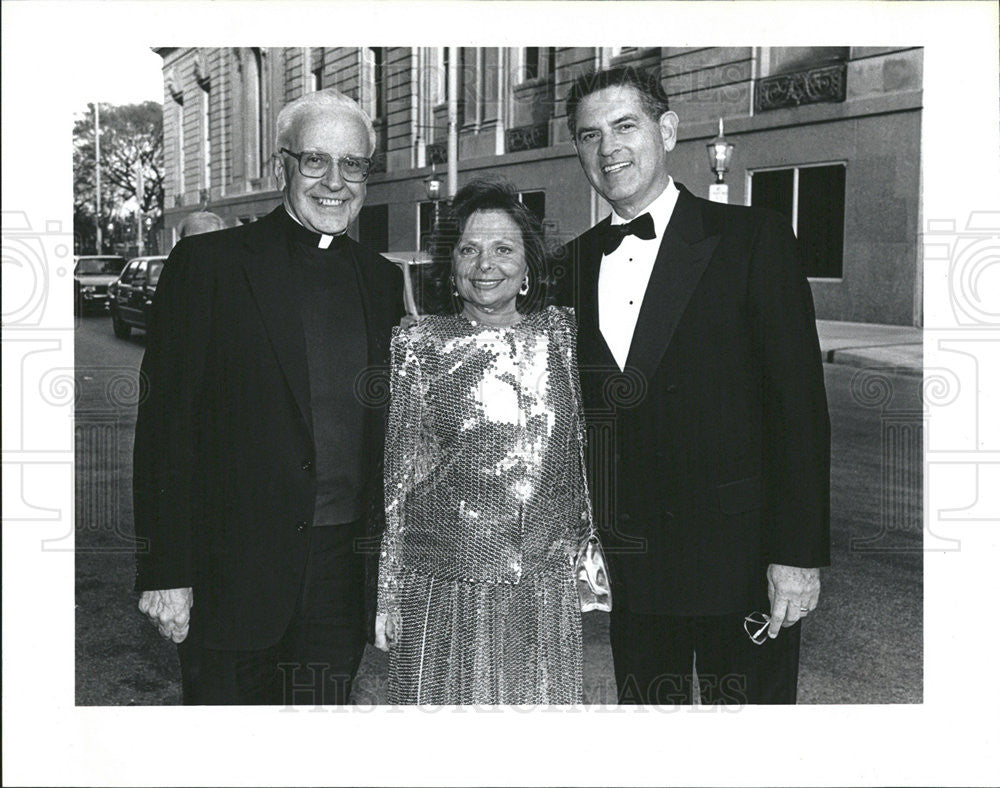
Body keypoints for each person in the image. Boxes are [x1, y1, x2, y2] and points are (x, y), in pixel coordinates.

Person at [555, 66, 830, 704]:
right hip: (636, 572)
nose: (608, 147)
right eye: (589, 135)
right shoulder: (568, 266)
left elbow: (799, 411)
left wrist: (796, 556)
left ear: (669, 130)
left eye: (625, 126)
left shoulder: (753, 240)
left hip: (743, 564)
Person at [134, 88, 404, 705]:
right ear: (282, 166)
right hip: (230, 575)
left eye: (353, 164)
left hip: (340, 580)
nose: (335, 181)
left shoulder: (381, 280)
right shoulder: (209, 265)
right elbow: (164, 427)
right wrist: (166, 572)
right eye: (315, 161)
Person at [373, 180, 608, 704]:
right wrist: (388, 592)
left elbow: (584, 459)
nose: (486, 265)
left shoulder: (565, 337)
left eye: (504, 249)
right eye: (469, 249)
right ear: (451, 265)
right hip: (443, 589)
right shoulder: (418, 345)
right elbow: (399, 478)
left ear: (528, 268)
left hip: (540, 592)